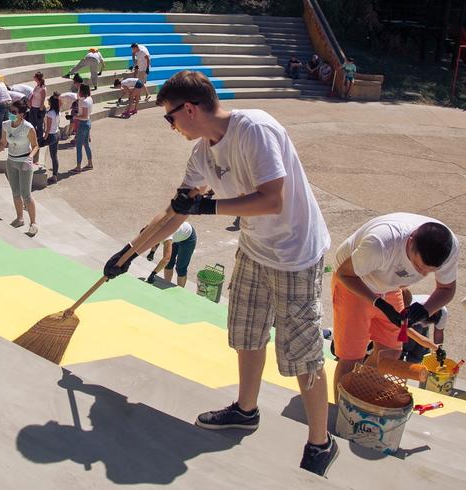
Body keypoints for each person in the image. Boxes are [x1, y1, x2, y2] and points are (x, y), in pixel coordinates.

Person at [101, 70, 338, 477]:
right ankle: (246, 410)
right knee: (246, 334)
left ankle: (320, 441)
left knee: (302, 353)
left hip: (295, 254)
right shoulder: (203, 154)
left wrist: (208, 208)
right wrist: (129, 252)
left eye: (169, 118)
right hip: (255, 249)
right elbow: (177, 210)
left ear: (189, 109)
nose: (170, 127)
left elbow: (272, 201)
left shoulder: (256, 130)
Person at [331, 213, 458, 400]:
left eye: (429, 272)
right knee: (352, 356)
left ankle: (359, 391)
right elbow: (345, 274)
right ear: (410, 241)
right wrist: (377, 302)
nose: (421, 274)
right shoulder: (381, 243)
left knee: (390, 351)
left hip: (389, 287)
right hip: (355, 283)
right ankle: (341, 410)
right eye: (418, 265)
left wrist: (425, 309)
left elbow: (447, 289)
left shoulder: (449, 247)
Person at [0, 98, 39, 237]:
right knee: (15, 193)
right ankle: (20, 218)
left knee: (26, 194)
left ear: (21, 114)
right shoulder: (6, 125)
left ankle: (33, 223)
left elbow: (36, 145)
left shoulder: (28, 127)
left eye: (14, 112)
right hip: (11, 161)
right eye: (10, 111)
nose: (11, 114)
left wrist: (30, 157)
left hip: (24, 163)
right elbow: (3, 143)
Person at [399, 289, 448, 363]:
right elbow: (419, 338)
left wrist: (438, 350)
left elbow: (438, 333)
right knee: (407, 343)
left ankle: (415, 362)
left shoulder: (442, 312)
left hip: (412, 324)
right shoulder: (406, 310)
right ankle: (400, 357)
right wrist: (436, 348)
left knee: (421, 350)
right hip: (406, 324)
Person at [145, 221, 197, 287]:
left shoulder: (166, 236)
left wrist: (153, 273)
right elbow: (156, 239)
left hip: (188, 239)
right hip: (176, 234)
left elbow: (166, 258)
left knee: (180, 268)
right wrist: (152, 252)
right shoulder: (152, 227)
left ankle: (180, 292)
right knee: (169, 264)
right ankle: (166, 284)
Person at [71, 83, 94, 173]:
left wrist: (75, 117)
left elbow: (84, 116)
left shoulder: (84, 102)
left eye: (79, 90)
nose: (78, 91)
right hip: (87, 123)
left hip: (83, 124)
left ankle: (78, 167)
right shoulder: (89, 99)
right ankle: (90, 163)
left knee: (79, 146)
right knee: (86, 145)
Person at [27, 72, 47, 160]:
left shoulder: (43, 89)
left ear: (37, 78)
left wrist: (40, 111)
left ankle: (40, 141)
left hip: (38, 109)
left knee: (39, 125)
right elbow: (33, 96)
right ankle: (33, 139)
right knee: (32, 125)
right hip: (33, 108)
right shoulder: (37, 86)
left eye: (34, 77)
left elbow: (42, 101)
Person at [43, 93, 61, 184]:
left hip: (51, 135)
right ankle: (55, 176)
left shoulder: (50, 113)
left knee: (37, 146)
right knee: (54, 156)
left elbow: (48, 127)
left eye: (49, 100)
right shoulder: (57, 112)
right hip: (57, 133)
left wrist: (45, 137)